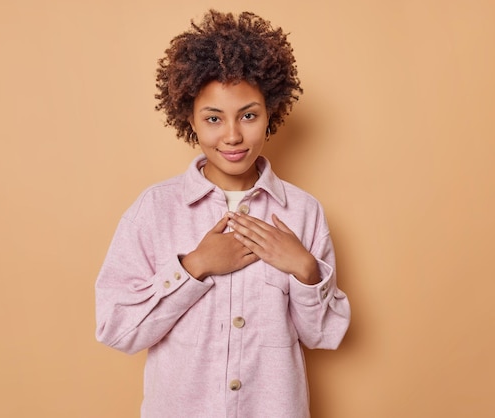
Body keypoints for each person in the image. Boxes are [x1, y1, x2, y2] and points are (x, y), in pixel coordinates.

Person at [95, 9, 350, 418]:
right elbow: (116, 329)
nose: (232, 135)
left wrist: (305, 270)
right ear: (190, 122)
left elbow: (325, 335)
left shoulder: (303, 212)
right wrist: (193, 268)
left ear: (271, 115)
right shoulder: (155, 210)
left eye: (248, 115)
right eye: (213, 118)